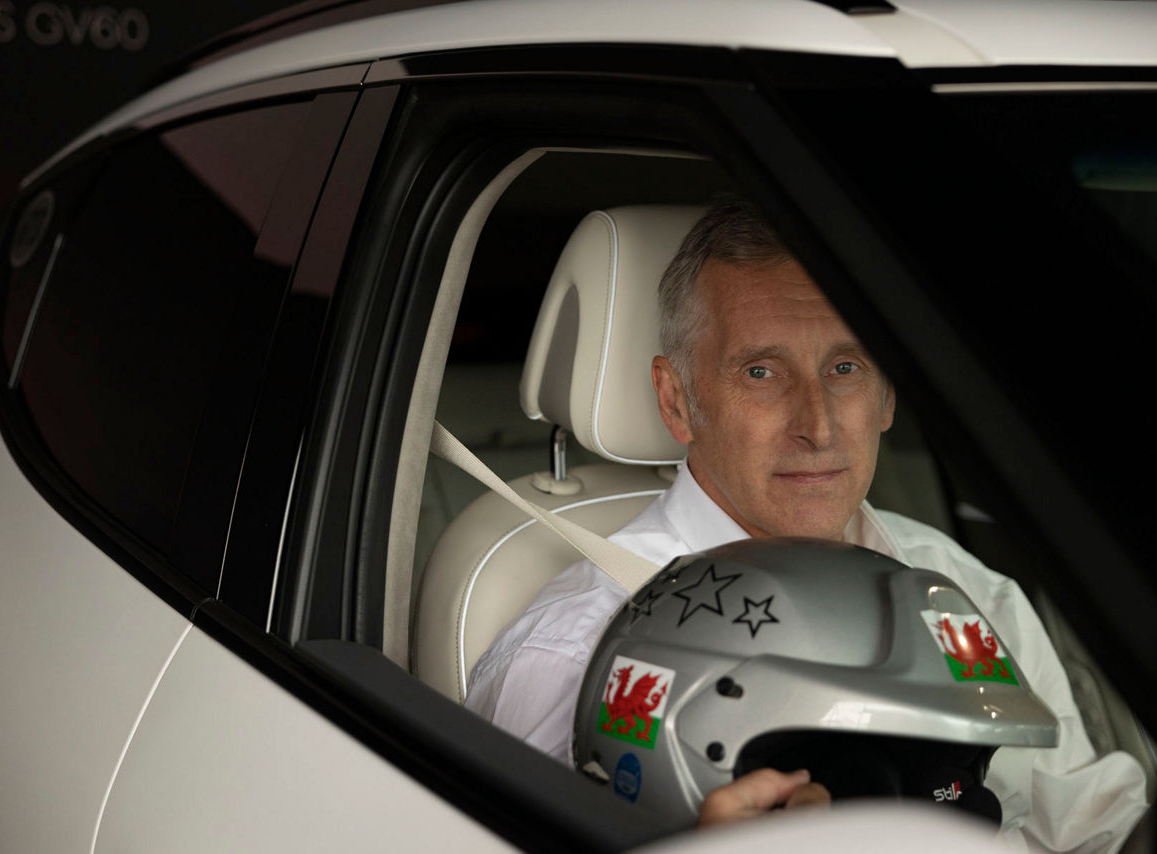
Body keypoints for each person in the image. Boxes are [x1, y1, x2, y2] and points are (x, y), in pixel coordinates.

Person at [464, 197, 1150, 850]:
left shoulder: (963, 595)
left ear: (886, 394)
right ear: (677, 401)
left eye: (845, 366)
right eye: (762, 371)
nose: (817, 426)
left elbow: (1092, 828)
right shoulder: (573, 658)